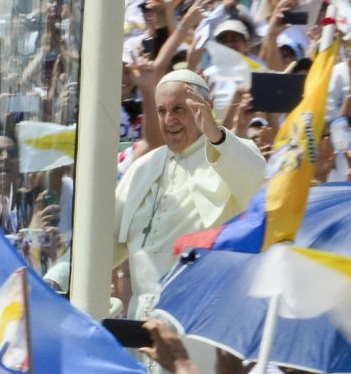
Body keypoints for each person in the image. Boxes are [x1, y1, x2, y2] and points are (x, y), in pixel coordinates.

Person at [114, 69, 266, 316]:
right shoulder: (143, 166)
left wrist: (215, 135)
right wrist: (58, 277)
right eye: (162, 111)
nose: (168, 120)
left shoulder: (230, 151)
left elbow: (257, 185)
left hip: (201, 312)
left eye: (178, 109)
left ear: (205, 108)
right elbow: (107, 239)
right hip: (142, 315)